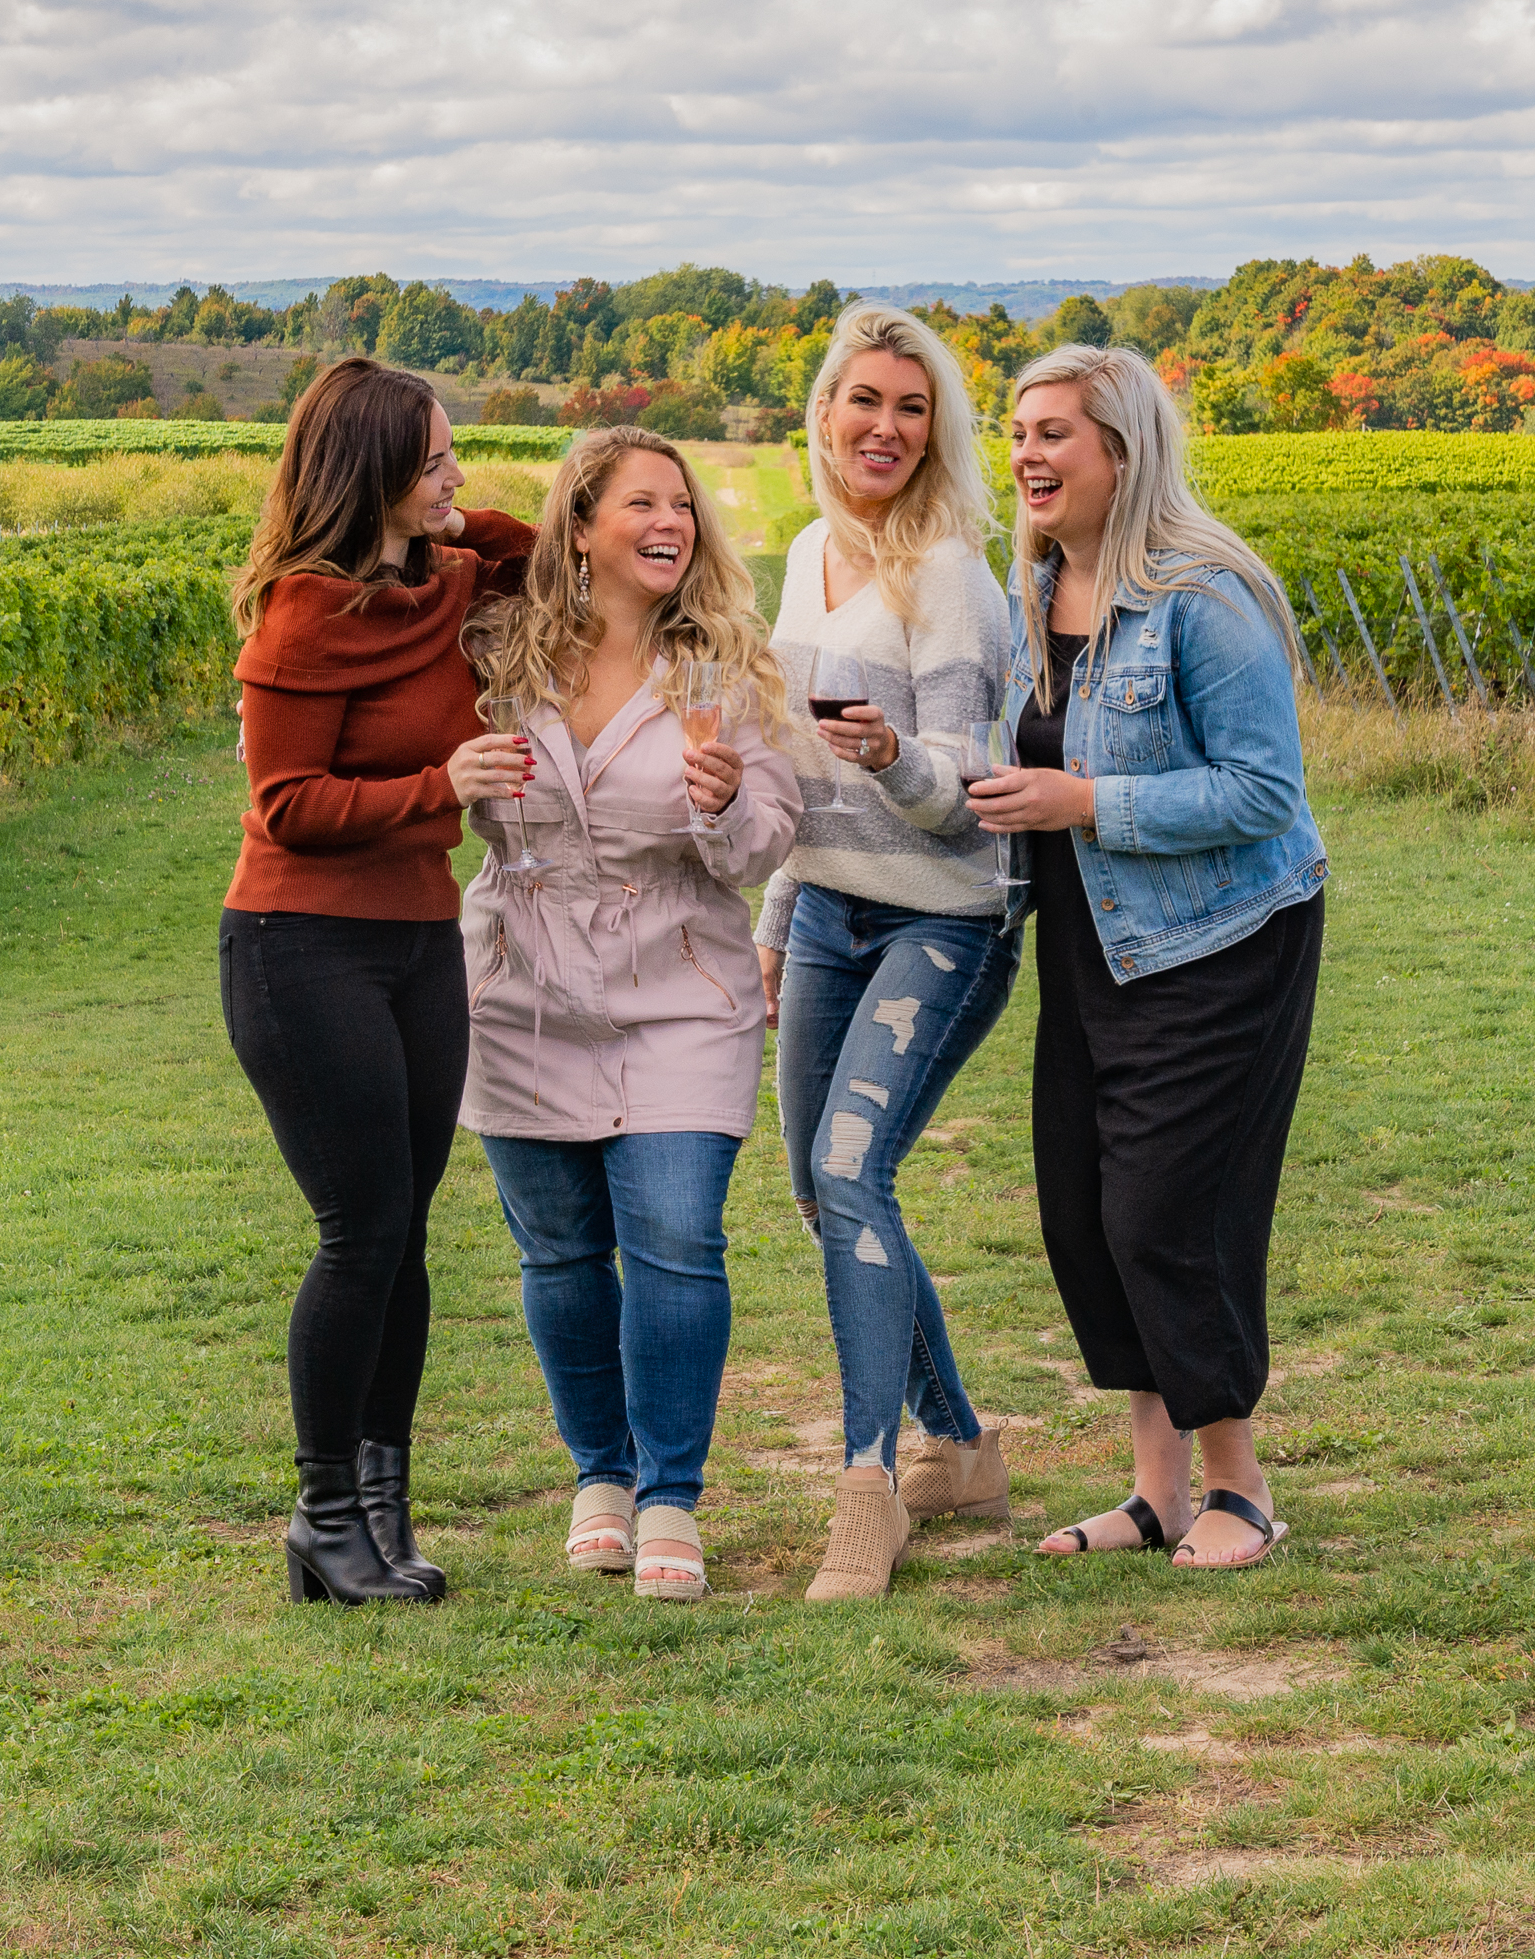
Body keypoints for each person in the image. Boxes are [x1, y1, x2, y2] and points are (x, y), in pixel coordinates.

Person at [963, 344, 1328, 1572]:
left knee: (1166, 1214)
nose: (1026, 453)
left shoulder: (1203, 598)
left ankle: (1241, 1490)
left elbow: (1264, 792)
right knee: (1085, 1216)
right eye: (1017, 431)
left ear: (1125, 452)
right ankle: (1154, 1493)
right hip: (1092, 946)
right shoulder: (1032, 591)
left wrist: (1084, 800)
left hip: (1221, 941)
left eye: (1055, 432)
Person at [461, 426, 804, 1602]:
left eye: (684, 506)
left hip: (682, 989)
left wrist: (721, 804)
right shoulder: (494, 653)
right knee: (558, 1251)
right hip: (523, 989)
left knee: (674, 1239)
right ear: (582, 525)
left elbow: (765, 842)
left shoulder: (723, 668)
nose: (672, 524)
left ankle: (670, 1495)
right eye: (642, 504)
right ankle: (597, 1477)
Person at [220, 358, 539, 1607]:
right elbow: (285, 808)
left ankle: (383, 1512)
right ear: (370, 474)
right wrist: (437, 789)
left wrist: (458, 518)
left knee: (404, 1233)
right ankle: (321, 1515)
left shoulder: (439, 578)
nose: (460, 475)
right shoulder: (303, 613)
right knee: (359, 1234)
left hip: (417, 941)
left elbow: (536, 553)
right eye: (437, 459)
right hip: (301, 948)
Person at [755, 304, 1023, 1602]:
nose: (885, 426)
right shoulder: (805, 554)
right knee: (822, 1187)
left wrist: (896, 757)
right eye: (864, 400)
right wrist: (771, 912)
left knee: (854, 1168)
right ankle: (962, 1445)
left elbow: (971, 791)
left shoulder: (953, 580)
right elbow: (791, 764)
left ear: (937, 432)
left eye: (911, 408)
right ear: (825, 413)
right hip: (822, 910)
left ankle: (868, 1490)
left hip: (943, 915)